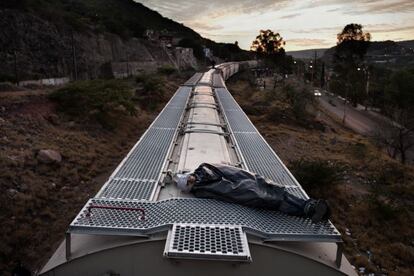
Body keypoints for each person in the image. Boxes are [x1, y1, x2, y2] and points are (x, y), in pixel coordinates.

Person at [174, 163, 330, 223]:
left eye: (188, 178)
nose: (190, 179)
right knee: (276, 201)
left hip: (246, 182)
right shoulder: (201, 189)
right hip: (246, 190)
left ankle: (309, 206)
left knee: (279, 194)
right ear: (189, 187)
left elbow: (227, 171)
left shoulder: (204, 170)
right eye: (188, 182)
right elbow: (223, 192)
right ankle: (307, 210)